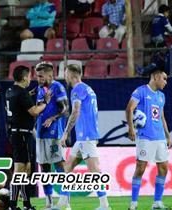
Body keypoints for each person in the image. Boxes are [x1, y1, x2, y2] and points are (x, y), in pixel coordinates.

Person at [60, 64, 111, 210]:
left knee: (94, 171)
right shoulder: (88, 88)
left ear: (71, 74)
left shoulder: (77, 89)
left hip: (85, 136)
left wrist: (66, 133)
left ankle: (105, 205)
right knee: (68, 166)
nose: (65, 77)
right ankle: (64, 201)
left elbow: (75, 111)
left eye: (65, 74)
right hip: (85, 136)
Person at [125, 70, 172, 210]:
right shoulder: (140, 91)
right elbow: (129, 109)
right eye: (164, 79)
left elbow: (161, 117)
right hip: (145, 137)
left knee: (163, 168)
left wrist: (168, 135)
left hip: (160, 138)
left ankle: (157, 203)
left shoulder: (161, 96)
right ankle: (133, 204)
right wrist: (131, 129)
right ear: (156, 77)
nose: (165, 82)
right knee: (140, 168)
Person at [5, 65, 51, 210]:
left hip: (15, 133)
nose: (31, 78)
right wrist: (45, 102)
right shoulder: (21, 93)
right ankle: (13, 205)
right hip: (22, 134)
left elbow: (19, 101)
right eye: (30, 76)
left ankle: (26, 204)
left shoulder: (10, 90)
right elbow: (34, 112)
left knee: (26, 170)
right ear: (24, 77)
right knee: (20, 170)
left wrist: (29, 93)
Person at [34, 62, 70, 209]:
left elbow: (65, 109)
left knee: (59, 165)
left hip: (54, 133)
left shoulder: (58, 87)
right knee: (44, 167)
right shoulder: (39, 88)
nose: (38, 78)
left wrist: (52, 118)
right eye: (37, 76)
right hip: (40, 133)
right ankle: (49, 202)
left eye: (41, 76)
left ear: (50, 75)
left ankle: (66, 202)